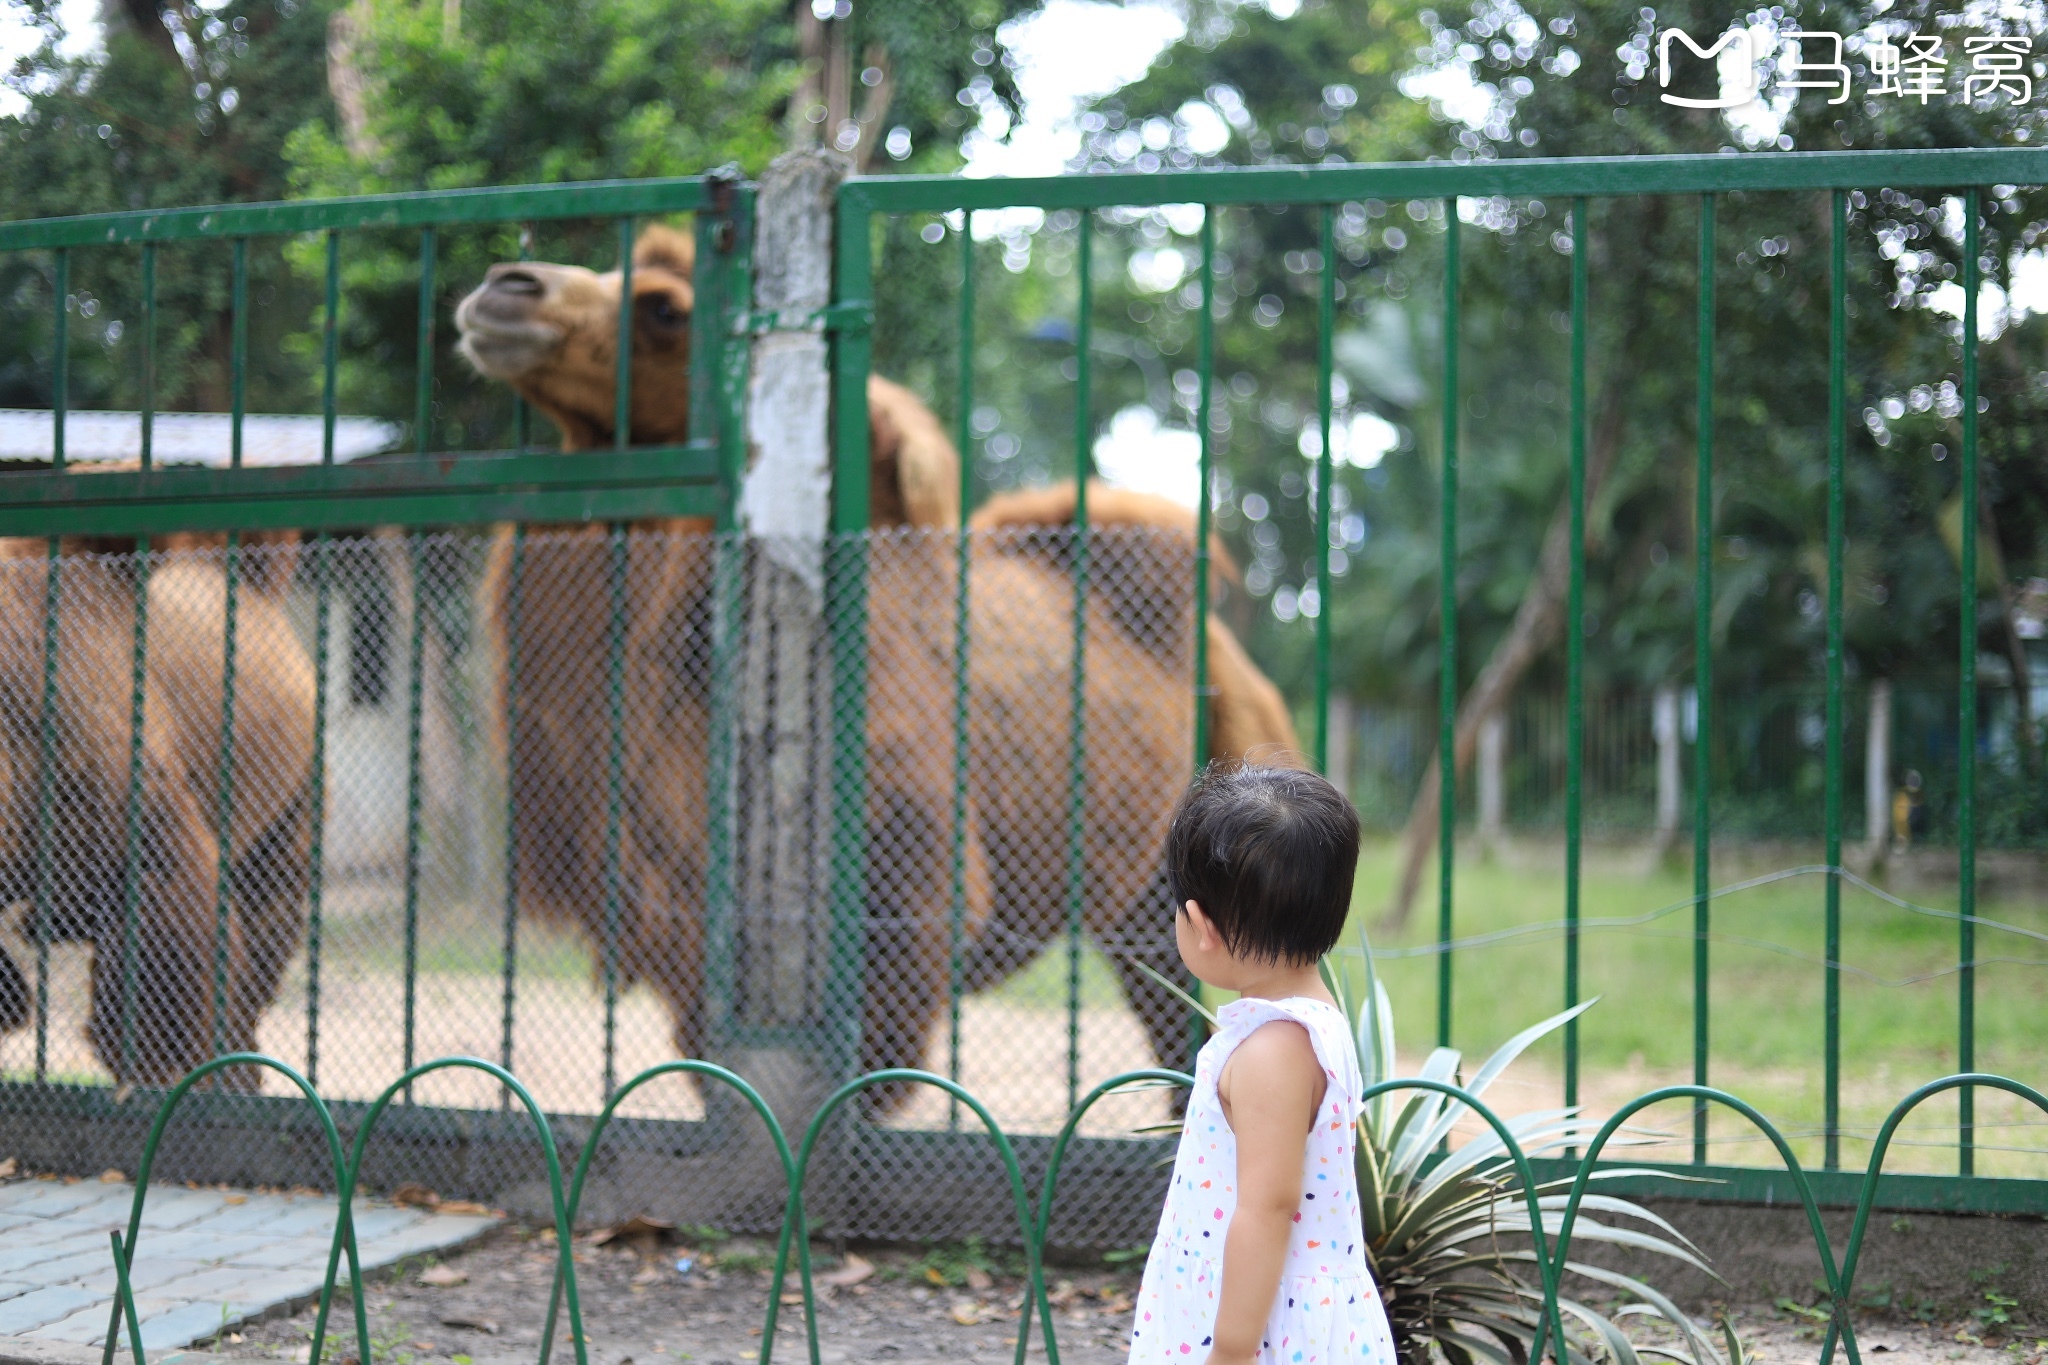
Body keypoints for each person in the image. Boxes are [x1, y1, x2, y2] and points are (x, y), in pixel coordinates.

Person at [1126, 762, 1396, 1365]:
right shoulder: (1307, 1016)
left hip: (1269, 1328)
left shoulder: (1274, 1049)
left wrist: (1231, 1350)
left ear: (1201, 926)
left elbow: (1268, 1206)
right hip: (1277, 1309)